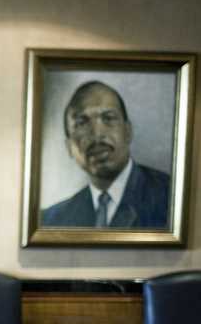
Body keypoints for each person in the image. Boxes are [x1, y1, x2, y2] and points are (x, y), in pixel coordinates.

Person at [41, 81, 170, 228]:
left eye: (108, 118)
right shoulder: (50, 221)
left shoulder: (171, 198)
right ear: (69, 147)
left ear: (128, 132)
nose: (97, 134)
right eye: (82, 123)